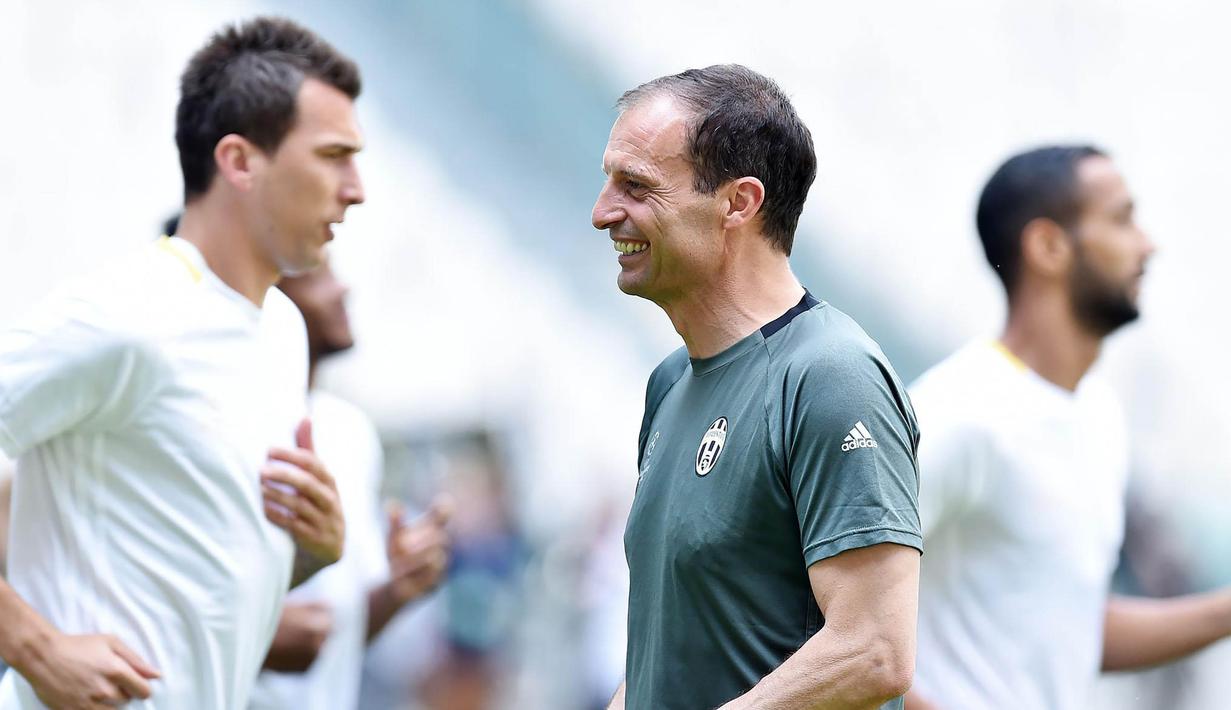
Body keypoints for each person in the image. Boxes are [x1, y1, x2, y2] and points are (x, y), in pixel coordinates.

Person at [0, 17, 362, 709]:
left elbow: (192, 581)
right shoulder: (123, 314)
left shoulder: (283, 331)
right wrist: (35, 646)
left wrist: (315, 550)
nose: (356, 188)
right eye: (332, 156)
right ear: (240, 162)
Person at [592, 65, 922, 710]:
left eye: (635, 186)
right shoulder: (669, 384)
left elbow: (875, 650)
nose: (603, 212)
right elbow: (674, 649)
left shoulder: (831, 375)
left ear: (738, 203)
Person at [905, 146, 1231, 710]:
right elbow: (820, 612)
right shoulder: (956, 412)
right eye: (1122, 219)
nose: (1147, 245)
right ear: (1048, 247)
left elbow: (1067, 629)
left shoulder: (1097, 412)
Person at [249, 257, 452, 710]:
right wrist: (254, 638)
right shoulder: (227, 423)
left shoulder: (350, 432)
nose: (342, 290)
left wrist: (396, 589)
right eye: (317, 275)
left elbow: (338, 631)